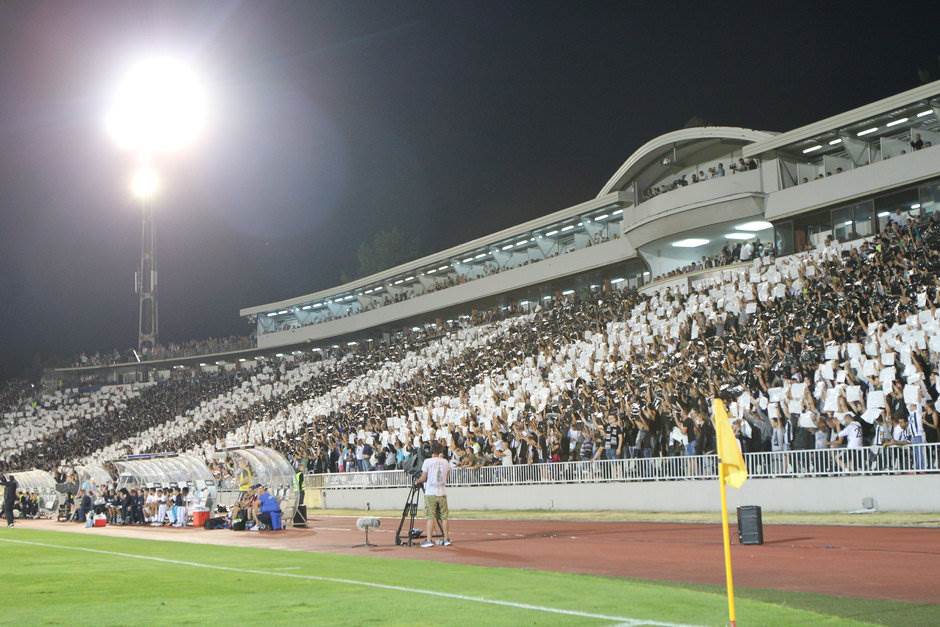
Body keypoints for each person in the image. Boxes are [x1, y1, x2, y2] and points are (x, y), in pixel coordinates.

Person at [415, 441, 452, 547]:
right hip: (442, 492)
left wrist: (417, 481)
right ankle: (446, 539)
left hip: (431, 492)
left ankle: (429, 540)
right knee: (444, 517)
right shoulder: (445, 462)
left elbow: (424, 477)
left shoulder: (427, 461)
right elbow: (447, 477)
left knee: (430, 517)